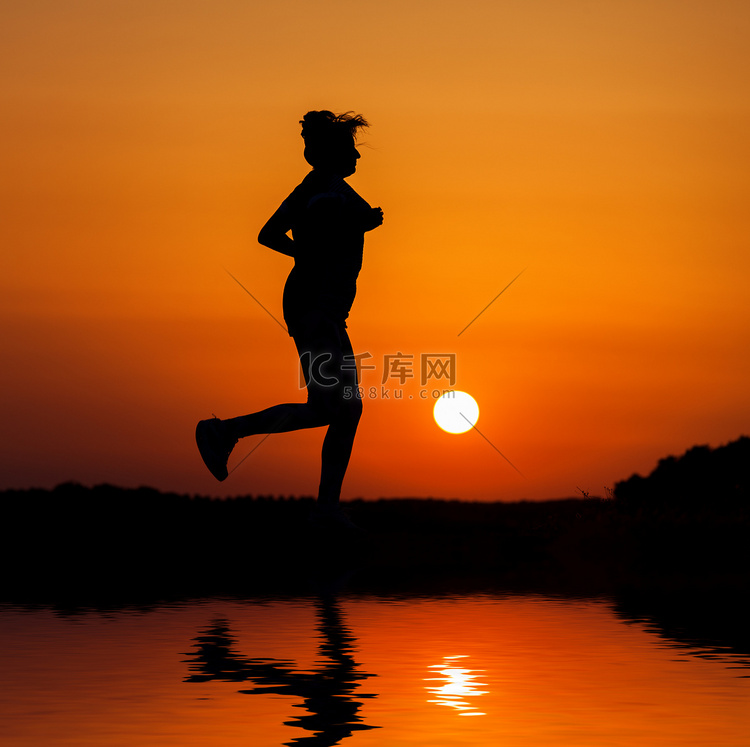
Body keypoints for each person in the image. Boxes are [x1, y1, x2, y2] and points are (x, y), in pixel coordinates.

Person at [196, 110, 383, 529]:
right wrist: (313, 252)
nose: (357, 157)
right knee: (334, 406)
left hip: (331, 310)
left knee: (344, 409)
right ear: (331, 154)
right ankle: (226, 433)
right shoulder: (319, 189)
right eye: (351, 150)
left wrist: (361, 221)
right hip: (314, 306)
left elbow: (355, 220)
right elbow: (269, 234)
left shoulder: (338, 190)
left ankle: (326, 508)